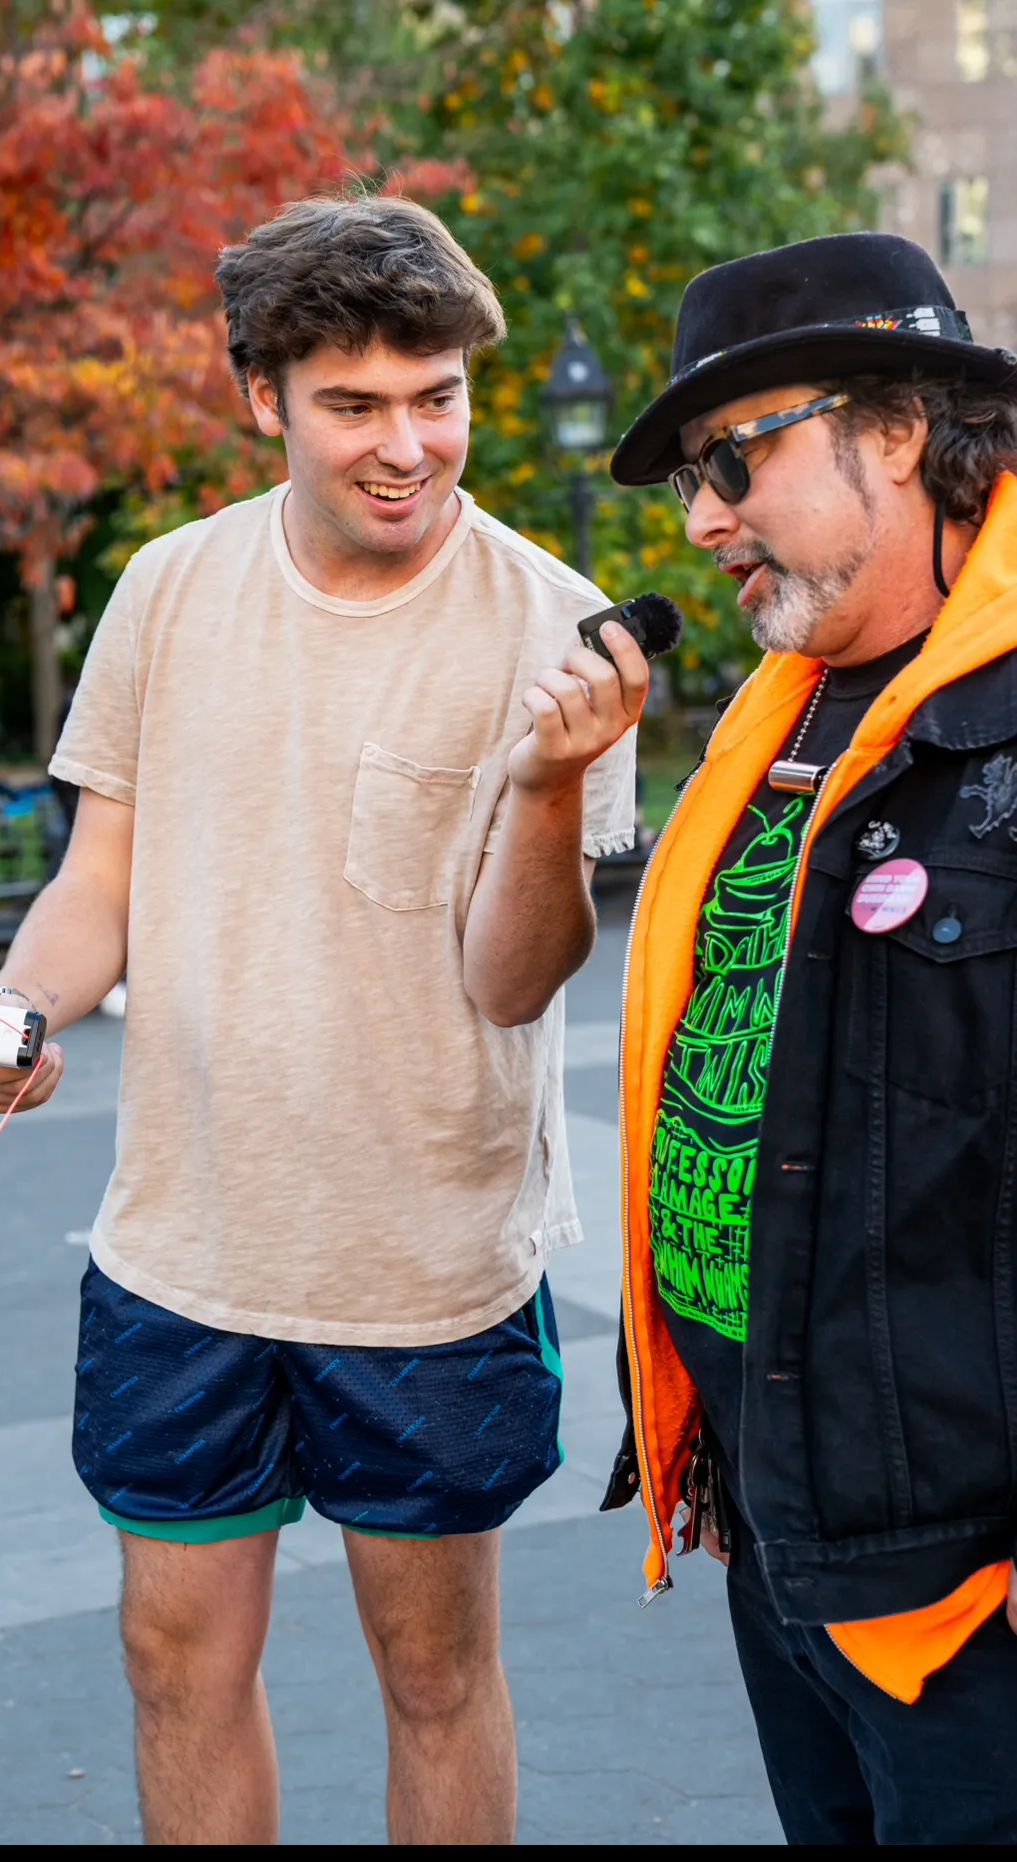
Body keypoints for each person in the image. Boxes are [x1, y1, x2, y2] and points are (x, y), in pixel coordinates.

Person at [0, 193, 644, 1846]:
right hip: (180, 1252)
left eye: (439, 398)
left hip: (424, 1265)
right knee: (170, 1664)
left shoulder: (557, 628)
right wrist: (20, 1000)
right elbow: (94, 880)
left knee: (433, 1673)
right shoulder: (167, 588)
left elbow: (513, 975)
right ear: (261, 395)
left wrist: (549, 788)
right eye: (356, 405)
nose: (408, 444)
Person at [605, 231, 1017, 1844]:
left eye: (733, 456)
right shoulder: (778, 712)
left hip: (961, 1598)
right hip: (779, 1522)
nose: (703, 517)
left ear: (900, 431)